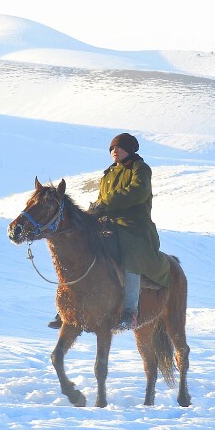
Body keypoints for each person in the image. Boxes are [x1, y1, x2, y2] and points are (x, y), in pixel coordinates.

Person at [48, 132, 170, 331]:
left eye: (119, 147)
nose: (115, 151)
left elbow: (137, 192)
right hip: (108, 224)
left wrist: (105, 203)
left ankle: (130, 312)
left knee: (131, 256)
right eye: (112, 148)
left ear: (129, 149)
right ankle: (70, 307)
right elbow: (102, 200)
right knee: (82, 251)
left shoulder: (140, 169)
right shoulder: (108, 174)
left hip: (134, 226)